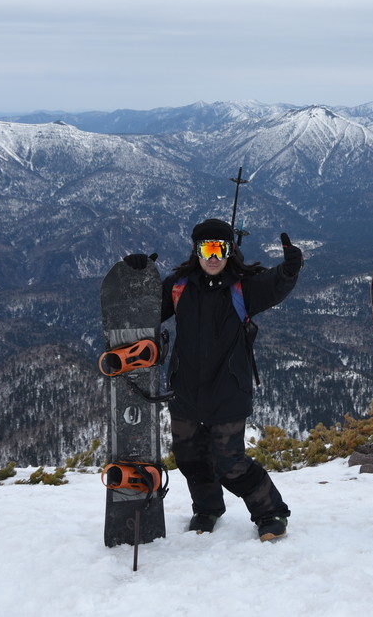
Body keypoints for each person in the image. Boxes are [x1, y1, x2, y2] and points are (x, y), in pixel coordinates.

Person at [129, 218, 302, 541]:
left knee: (230, 462)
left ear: (229, 250)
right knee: (190, 457)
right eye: (205, 248)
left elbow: (273, 284)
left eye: (219, 248)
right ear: (195, 251)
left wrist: (289, 269)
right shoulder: (178, 287)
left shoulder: (242, 288)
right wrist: (137, 275)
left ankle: (270, 512)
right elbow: (146, 311)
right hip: (185, 392)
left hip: (228, 392)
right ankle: (207, 508)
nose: (212, 256)